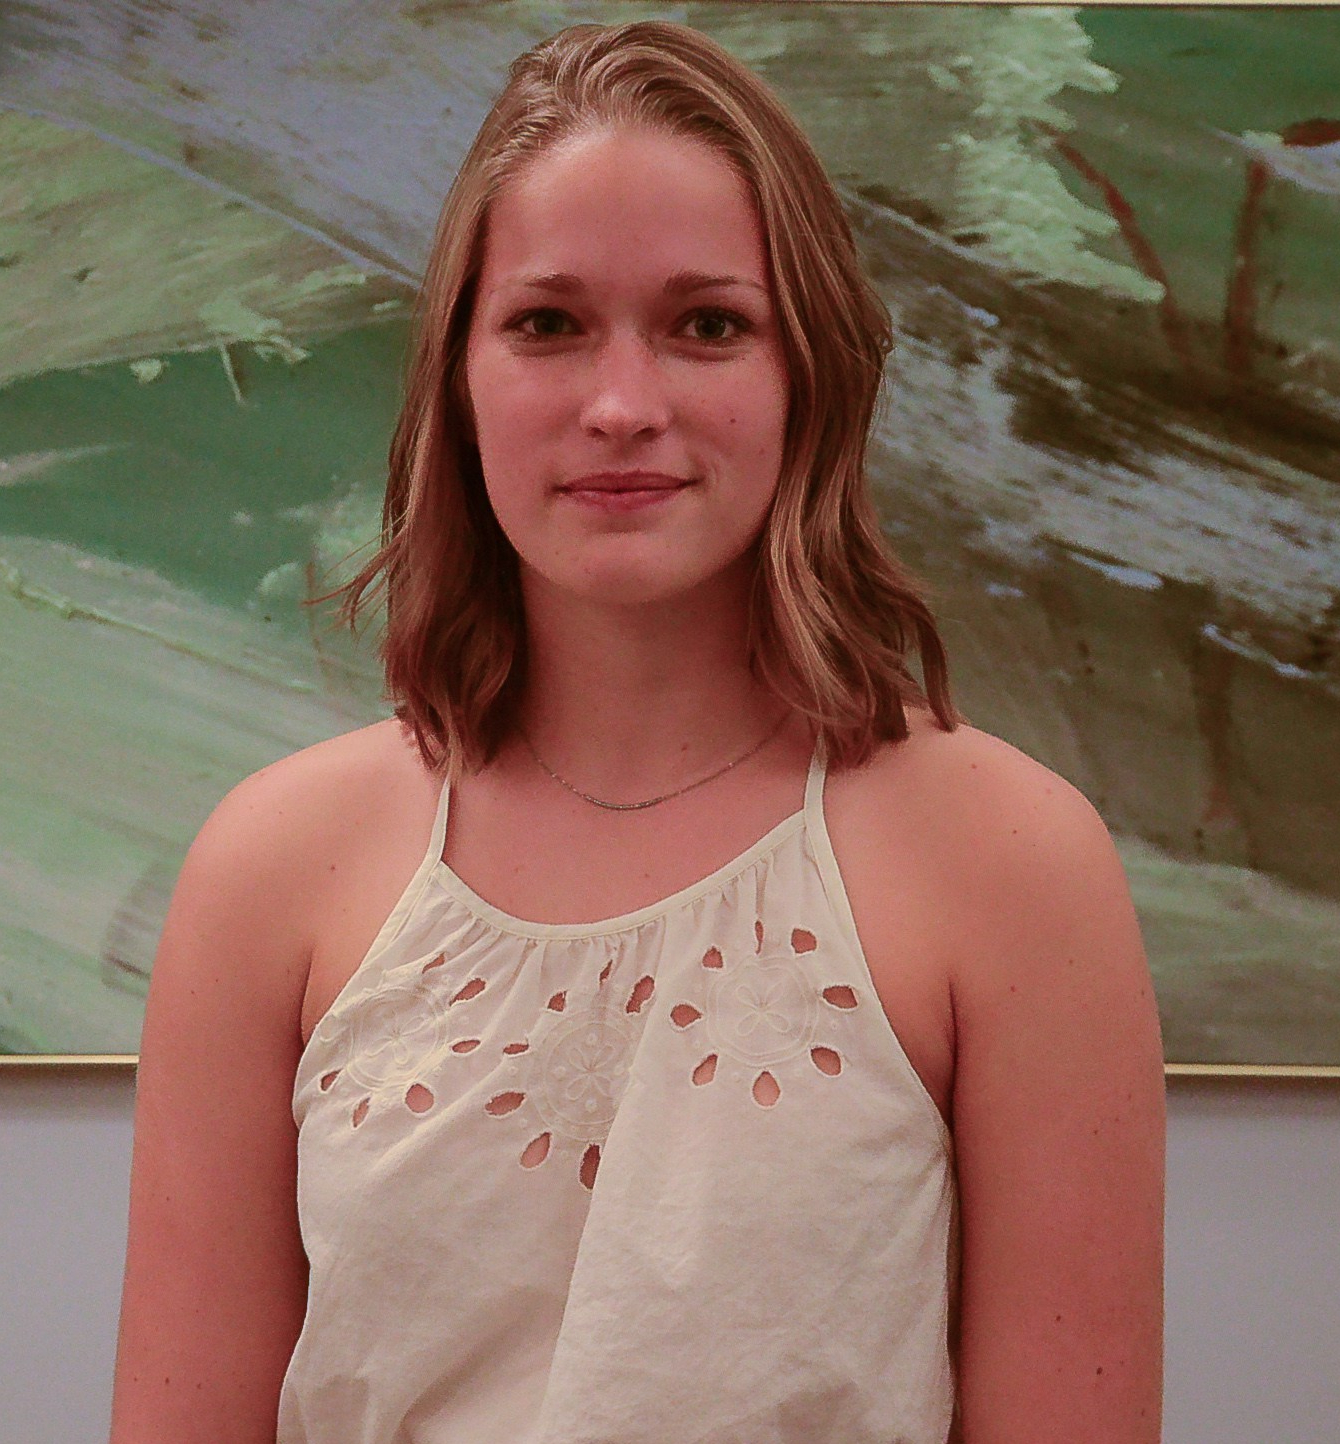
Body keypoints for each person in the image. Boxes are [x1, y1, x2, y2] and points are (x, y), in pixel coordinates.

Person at [109, 20, 1165, 1444]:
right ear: (458, 376)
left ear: (810, 375)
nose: (621, 407)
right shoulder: (272, 865)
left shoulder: (1013, 861)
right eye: (548, 324)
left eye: (707, 325)